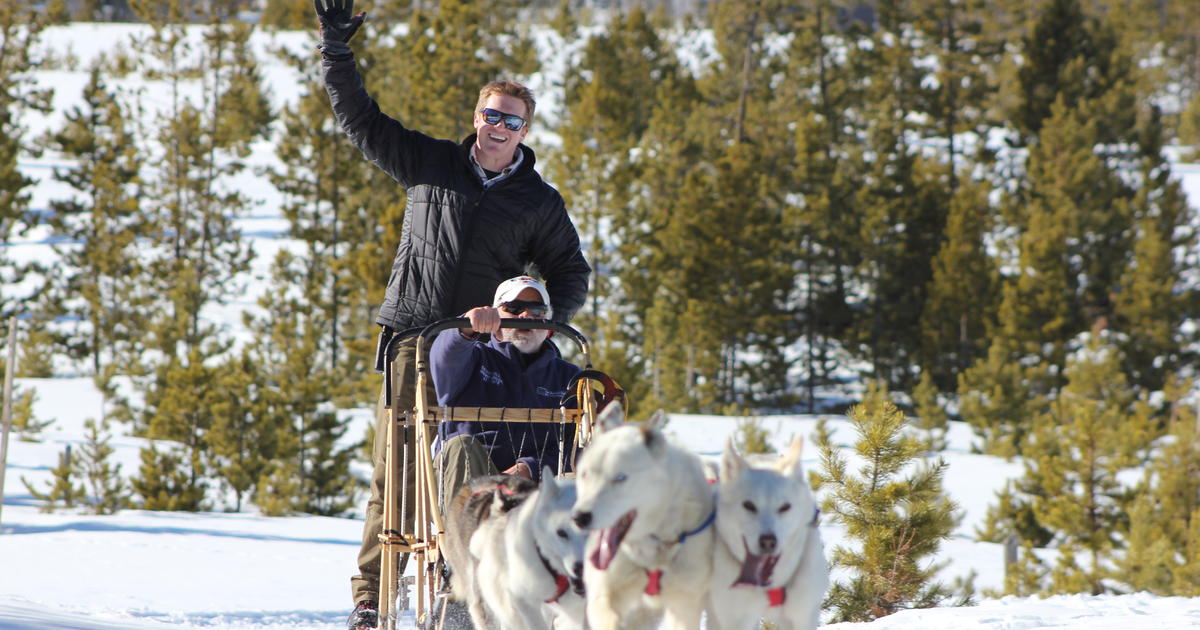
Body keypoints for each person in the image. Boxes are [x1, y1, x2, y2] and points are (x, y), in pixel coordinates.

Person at [311, 2, 591, 628]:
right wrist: (336, 48)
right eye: (491, 115)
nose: (498, 127)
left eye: (511, 121)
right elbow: (359, 119)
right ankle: (371, 593)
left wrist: (536, 322)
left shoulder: (537, 202)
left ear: (524, 132)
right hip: (416, 335)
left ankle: (459, 571)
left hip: (483, 352)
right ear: (477, 118)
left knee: (481, 457)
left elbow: (571, 272)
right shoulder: (431, 164)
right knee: (397, 471)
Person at [430, 276, 581, 511]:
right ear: (494, 317)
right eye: (513, 308)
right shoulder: (472, 360)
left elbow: (578, 447)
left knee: (575, 478)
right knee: (462, 447)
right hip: (472, 484)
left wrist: (530, 467)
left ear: (549, 326)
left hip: (535, 491)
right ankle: (465, 539)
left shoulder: (569, 377)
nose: (525, 317)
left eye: (536, 310)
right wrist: (465, 325)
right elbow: (444, 355)